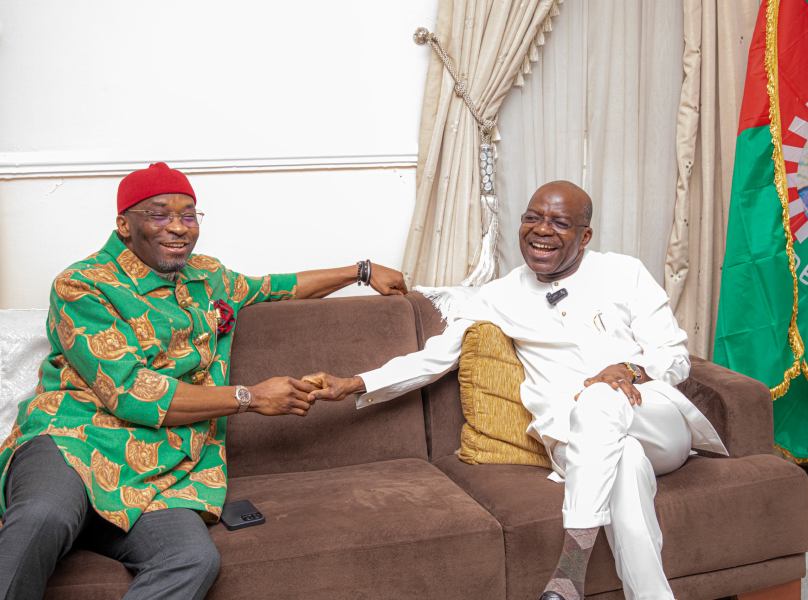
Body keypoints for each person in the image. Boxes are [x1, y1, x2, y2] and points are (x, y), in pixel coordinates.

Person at [0, 162, 407, 600]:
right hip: (73, 442)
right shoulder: (81, 286)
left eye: (188, 215)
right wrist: (248, 398)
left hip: (160, 473)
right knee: (44, 514)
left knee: (192, 559)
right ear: (124, 224)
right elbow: (132, 394)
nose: (178, 227)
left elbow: (277, 287)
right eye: (159, 214)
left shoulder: (206, 276)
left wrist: (362, 270)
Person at [305, 180, 728, 600]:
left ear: (585, 236)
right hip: (573, 440)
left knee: (602, 398)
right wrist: (354, 383)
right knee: (625, 464)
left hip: (653, 421)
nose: (541, 229)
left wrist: (630, 369)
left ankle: (569, 571)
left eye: (559, 222)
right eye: (532, 217)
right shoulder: (498, 296)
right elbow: (434, 358)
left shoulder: (624, 273)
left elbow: (674, 357)